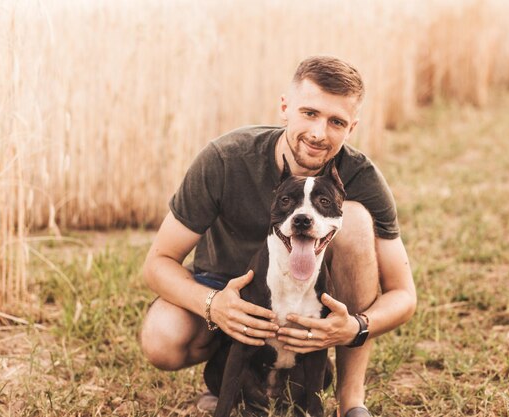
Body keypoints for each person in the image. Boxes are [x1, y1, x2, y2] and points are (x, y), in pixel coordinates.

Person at [140, 55, 416, 417]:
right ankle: (233, 382)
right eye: (310, 113)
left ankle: (351, 402)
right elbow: (157, 264)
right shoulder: (226, 158)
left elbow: (403, 294)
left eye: (336, 122)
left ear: (351, 128)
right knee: (162, 338)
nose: (319, 133)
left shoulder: (360, 177)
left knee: (357, 219)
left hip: (311, 301)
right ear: (285, 107)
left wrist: (354, 326)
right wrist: (213, 304)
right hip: (225, 287)